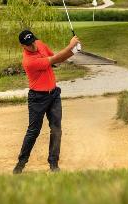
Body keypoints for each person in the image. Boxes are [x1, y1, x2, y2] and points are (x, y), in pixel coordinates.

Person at [13, 29, 80, 174]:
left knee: (56, 129)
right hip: (37, 98)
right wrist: (70, 46)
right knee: (33, 131)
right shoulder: (28, 61)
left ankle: (53, 164)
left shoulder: (39, 44)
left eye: (33, 41)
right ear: (23, 46)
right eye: (29, 45)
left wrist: (75, 51)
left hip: (54, 94)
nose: (33, 46)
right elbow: (54, 60)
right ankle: (21, 164)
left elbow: (58, 59)